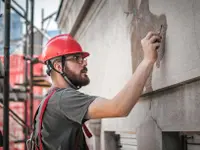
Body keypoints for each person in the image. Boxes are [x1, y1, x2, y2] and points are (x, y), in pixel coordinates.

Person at [31, 31, 161, 150]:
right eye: (77, 58)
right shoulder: (63, 99)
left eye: (83, 58)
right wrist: (148, 60)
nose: (84, 63)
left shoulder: (50, 100)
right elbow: (119, 107)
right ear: (58, 66)